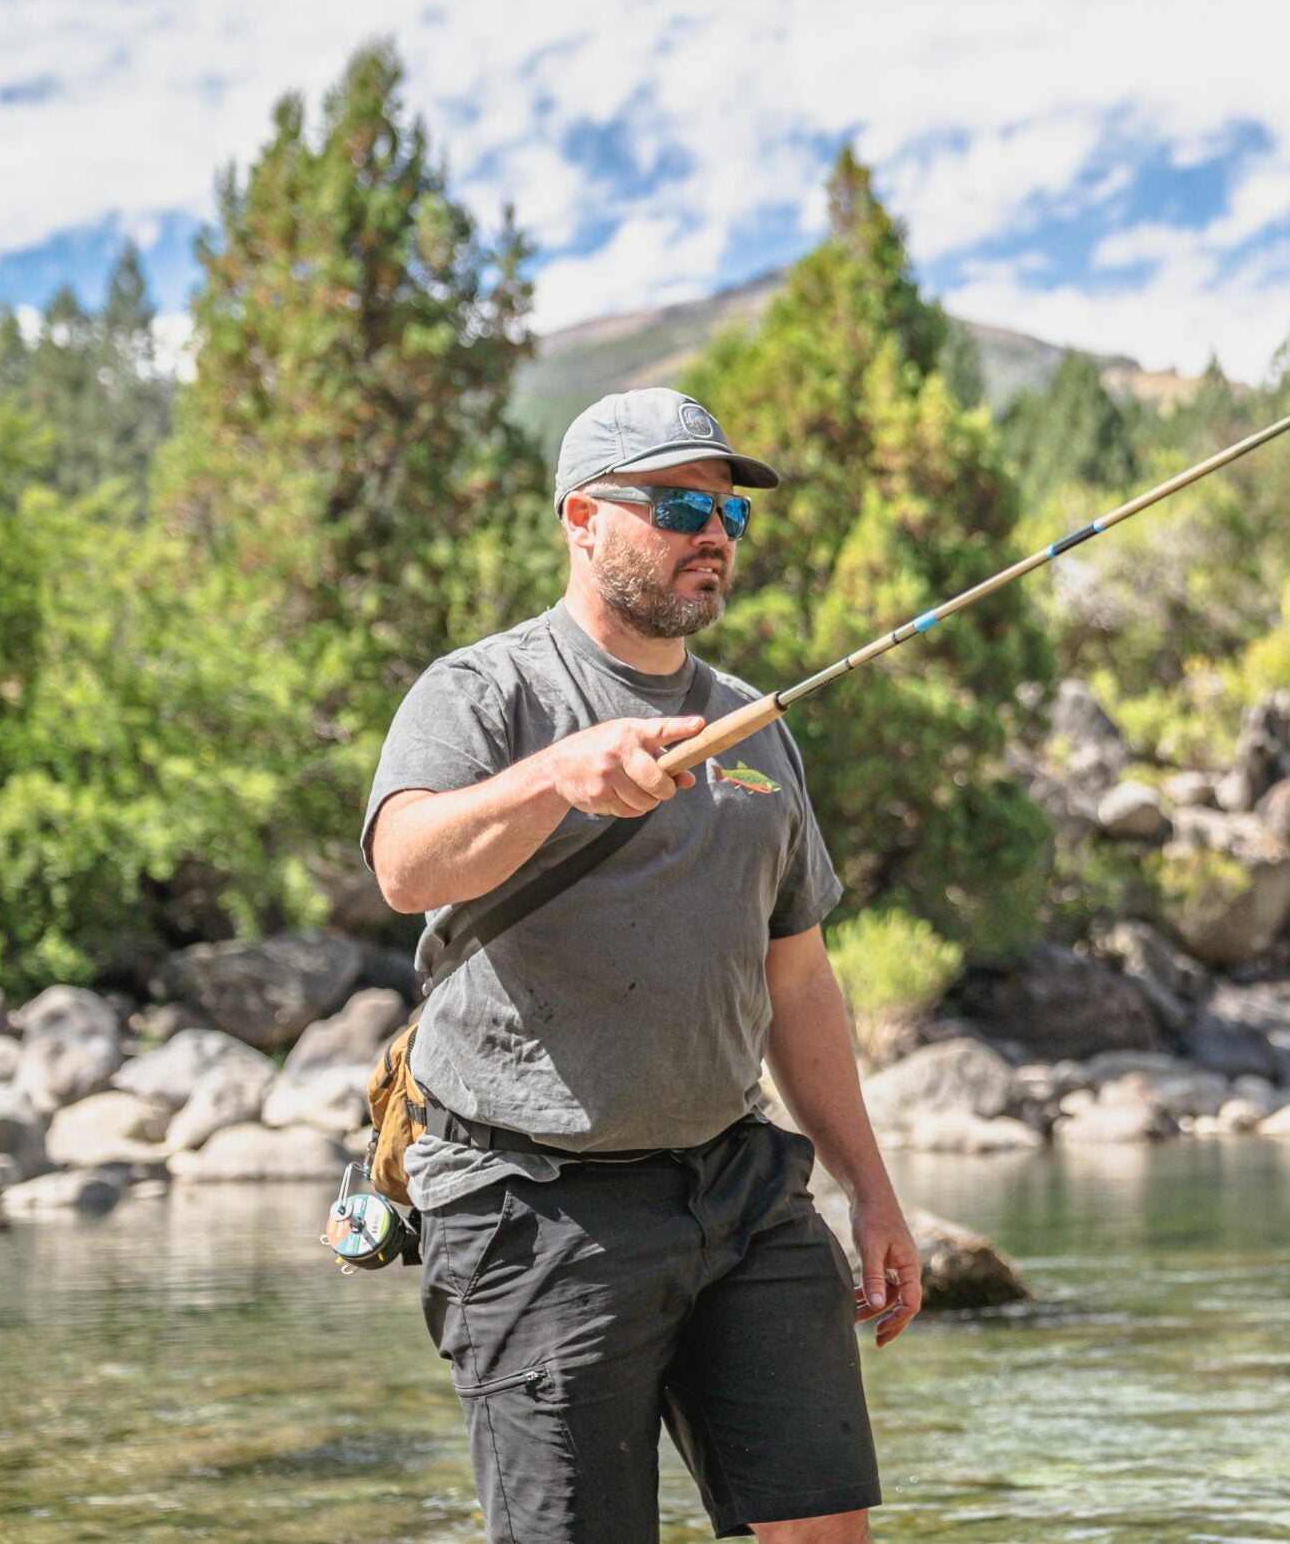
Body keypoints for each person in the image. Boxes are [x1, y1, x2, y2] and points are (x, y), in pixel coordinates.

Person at [361, 386, 917, 1544]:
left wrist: (870, 1190)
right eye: (674, 505)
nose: (710, 533)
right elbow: (407, 868)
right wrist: (556, 776)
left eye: (726, 515)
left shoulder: (755, 725)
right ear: (581, 517)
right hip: (531, 1204)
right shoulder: (484, 693)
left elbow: (800, 980)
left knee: (824, 1531)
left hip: (738, 1189)